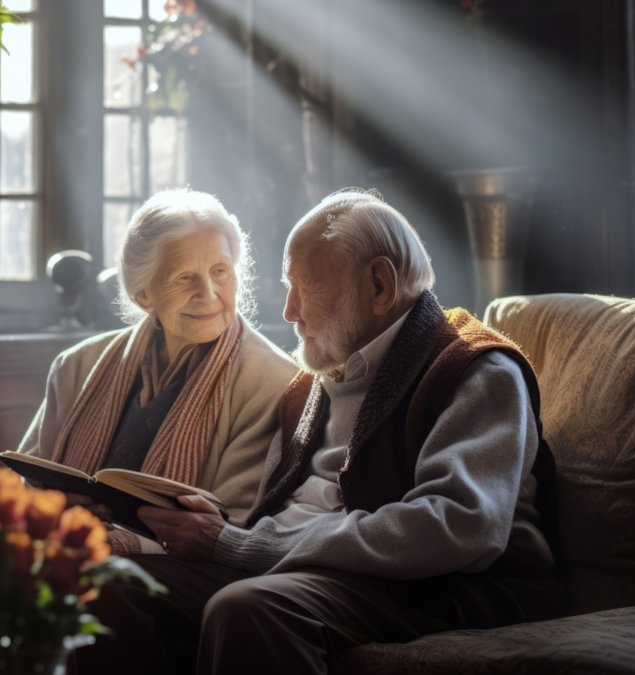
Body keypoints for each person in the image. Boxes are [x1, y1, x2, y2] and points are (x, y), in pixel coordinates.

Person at [79, 187, 564, 675]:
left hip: (450, 584)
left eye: (304, 286)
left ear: (378, 285)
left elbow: (461, 526)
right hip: (319, 566)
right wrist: (223, 526)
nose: (289, 310)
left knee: (249, 607)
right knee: (112, 581)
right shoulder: (316, 377)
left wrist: (239, 546)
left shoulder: (476, 370)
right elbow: (283, 512)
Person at [16, 188, 298, 553]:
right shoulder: (76, 366)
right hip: (65, 551)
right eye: (184, 277)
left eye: (220, 271)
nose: (208, 292)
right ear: (143, 294)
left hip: (182, 573)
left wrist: (115, 544)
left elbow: (231, 524)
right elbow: (25, 484)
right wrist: (52, 509)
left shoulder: (275, 382)